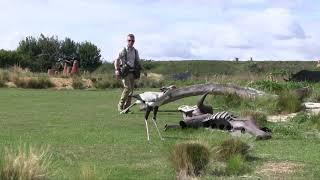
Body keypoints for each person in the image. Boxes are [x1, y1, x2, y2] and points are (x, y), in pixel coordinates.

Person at [114, 34, 141, 112]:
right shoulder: (123, 50)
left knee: (131, 91)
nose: (131, 42)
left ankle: (126, 108)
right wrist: (116, 69)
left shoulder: (135, 51)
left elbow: (138, 62)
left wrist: (143, 70)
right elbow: (117, 60)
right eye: (129, 40)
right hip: (125, 72)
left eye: (133, 41)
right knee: (127, 88)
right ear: (127, 41)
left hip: (133, 72)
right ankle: (120, 105)